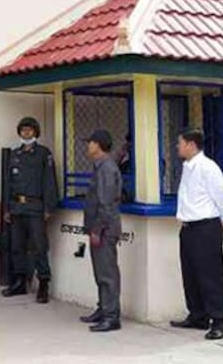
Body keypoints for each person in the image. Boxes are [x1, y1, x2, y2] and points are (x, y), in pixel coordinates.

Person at [169, 128, 223, 340]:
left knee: (211, 276)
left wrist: (222, 219)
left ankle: (220, 321)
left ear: (191, 144)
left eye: (180, 142)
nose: (177, 146)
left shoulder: (208, 167)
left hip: (205, 228)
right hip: (188, 228)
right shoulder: (188, 167)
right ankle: (198, 316)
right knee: (191, 275)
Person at [2, 117, 59, 304]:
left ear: (35, 132)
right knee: (17, 246)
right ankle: (20, 282)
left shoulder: (43, 153)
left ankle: (43, 283)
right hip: (17, 206)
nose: (26, 133)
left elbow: (49, 181)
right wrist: (7, 208)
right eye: (23, 130)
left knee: (39, 246)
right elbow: (9, 183)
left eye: (29, 130)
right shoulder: (15, 154)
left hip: (36, 206)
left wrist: (49, 207)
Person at [80, 130, 123, 333]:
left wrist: (97, 229)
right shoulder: (100, 167)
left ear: (98, 145)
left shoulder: (106, 168)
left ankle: (111, 316)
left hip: (104, 229)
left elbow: (106, 203)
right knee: (100, 272)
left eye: (90, 142)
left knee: (107, 273)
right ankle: (103, 308)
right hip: (100, 228)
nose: (88, 146)